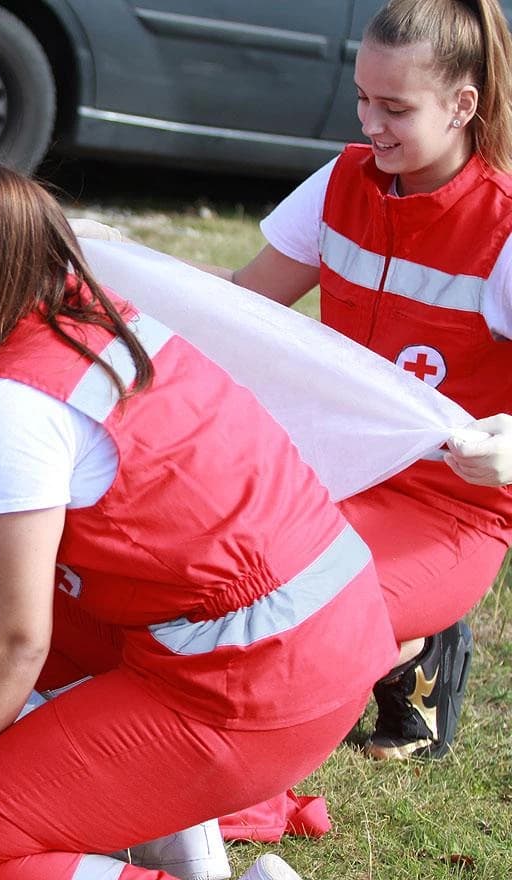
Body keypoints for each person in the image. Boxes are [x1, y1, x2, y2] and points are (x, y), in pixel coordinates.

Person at [0, 152, 400, 880]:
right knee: (42, 598)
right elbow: (2, 558)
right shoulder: (89, 304)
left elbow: (15, 639)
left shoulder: (11, 402)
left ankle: (169, 813)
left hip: (258, 684)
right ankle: (169, 829)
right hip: (328, 636)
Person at [196, 0, 512, 760]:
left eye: (395, 108)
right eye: (363, 98)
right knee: (208, 589)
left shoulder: (503, 226)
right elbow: (238, 304)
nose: (371, 123)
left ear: (462, 105)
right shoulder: (341, 181)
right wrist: (105, 271)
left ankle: (416, 644)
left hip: (449, 508)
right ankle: (400, 645)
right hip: (327, 476)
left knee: (295, 626)